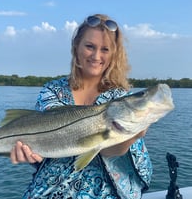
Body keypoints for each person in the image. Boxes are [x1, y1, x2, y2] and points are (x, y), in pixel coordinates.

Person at [11, 14, 153, 199]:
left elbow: (111, 151)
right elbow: (46, 142)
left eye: (105, 49)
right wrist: (28, 154)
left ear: (113, 54)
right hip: (51, 190)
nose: (96, 56)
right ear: (76, 47)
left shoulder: (121, 99)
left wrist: (133, 134)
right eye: (89, 46)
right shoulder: (52, 91)